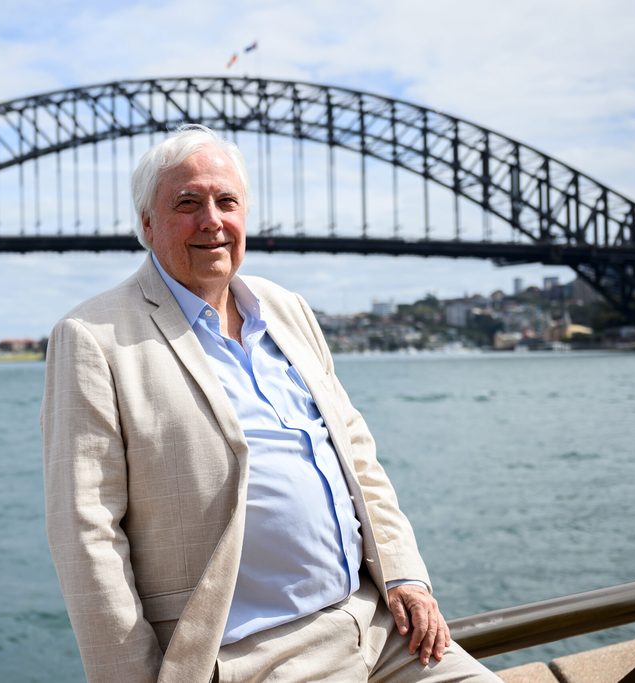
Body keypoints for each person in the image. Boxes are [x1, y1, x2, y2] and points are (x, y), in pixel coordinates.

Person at [42, 124, 500, 682]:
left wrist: (405, 576)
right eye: (187, 204)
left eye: (226, 201)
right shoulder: (94, 336)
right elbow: (86, 533)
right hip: (251, 660)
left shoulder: (286, 309)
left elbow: (356, 454)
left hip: (380, 631)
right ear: (147, 225)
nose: (211, 220)